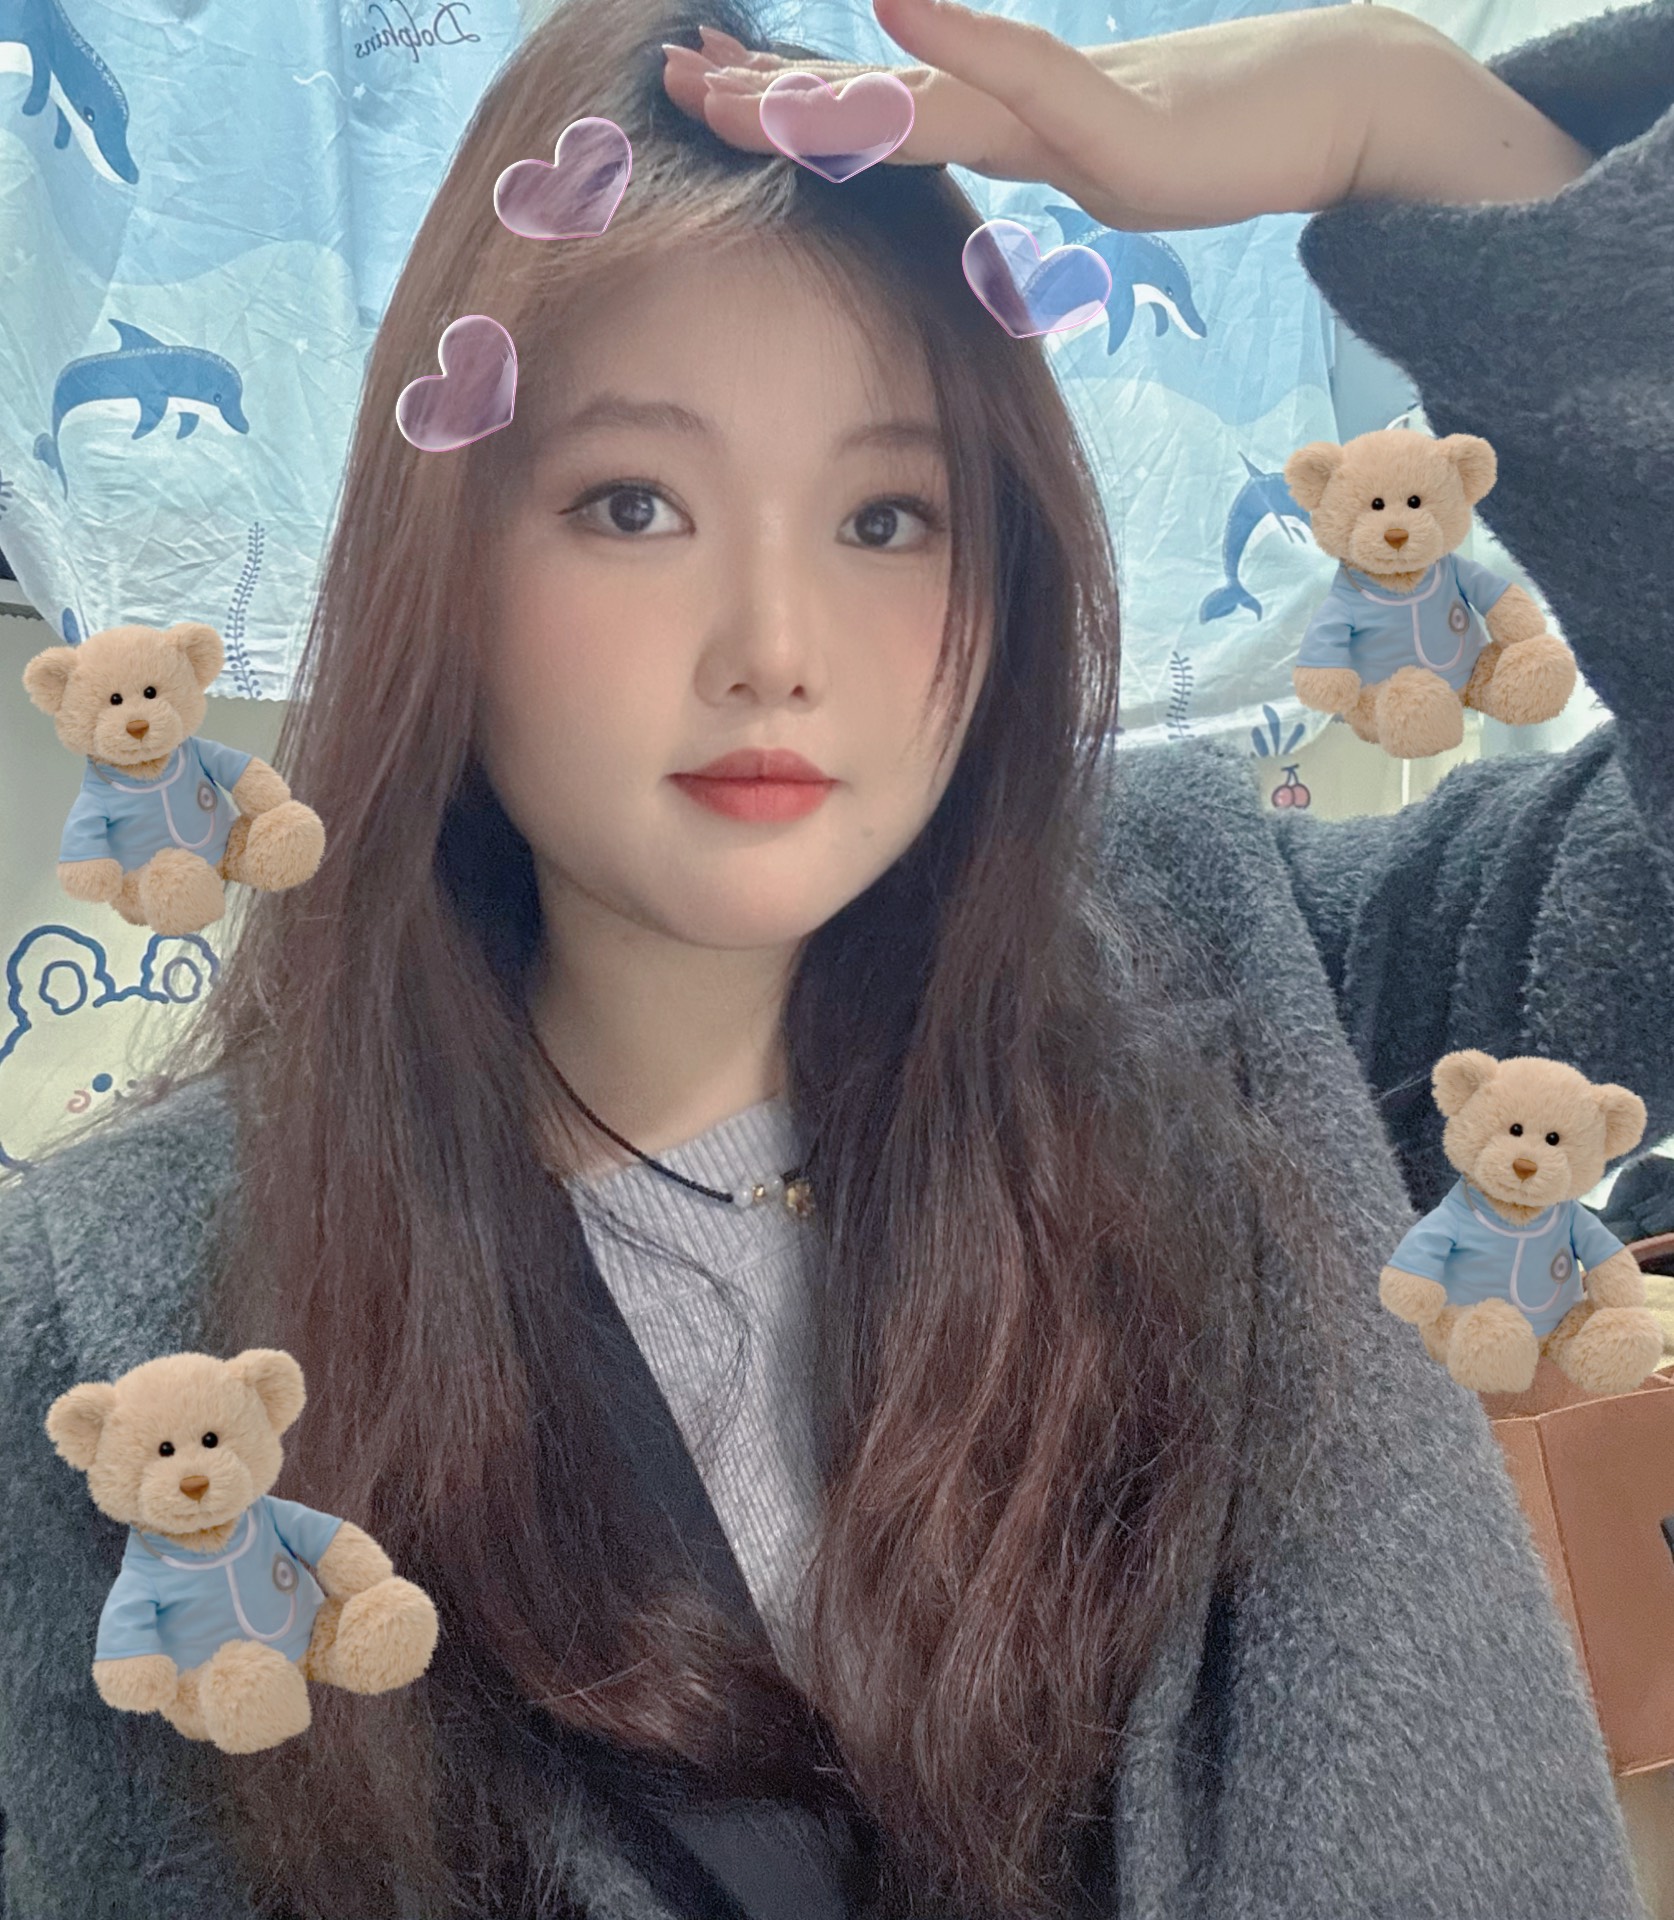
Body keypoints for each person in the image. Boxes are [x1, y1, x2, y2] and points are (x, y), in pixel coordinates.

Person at [0, 0, 1670, 1914]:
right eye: (633, 505)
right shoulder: (117, 1313)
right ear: (442, 563)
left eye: (887, 516)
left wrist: (1412, 126)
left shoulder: (1251, 963)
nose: (775, 647)